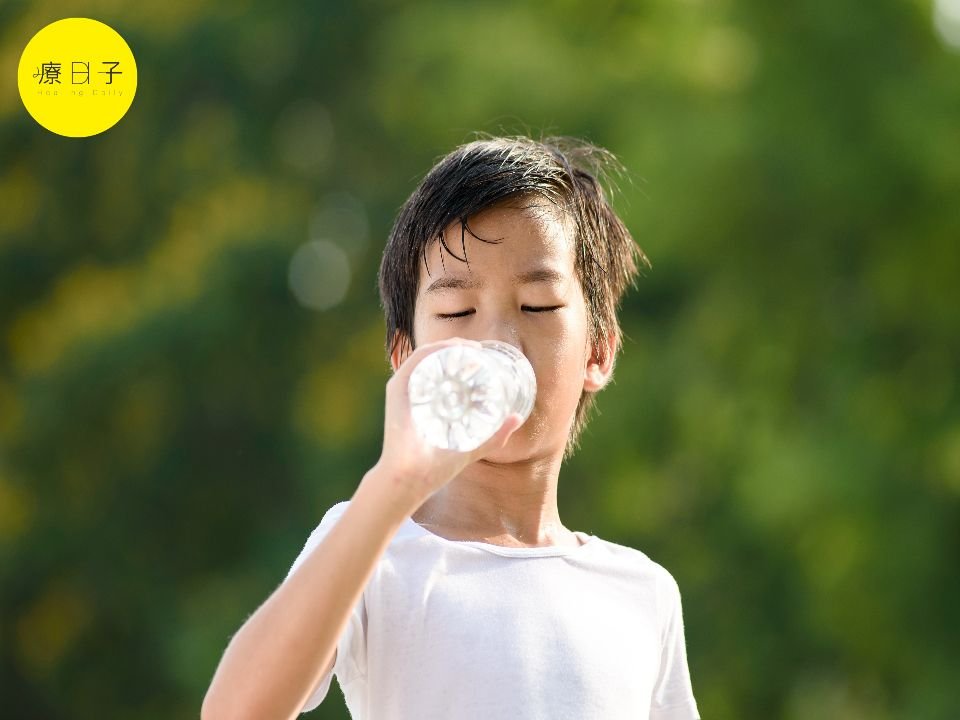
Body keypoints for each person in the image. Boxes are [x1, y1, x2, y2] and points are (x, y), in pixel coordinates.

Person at [202, 134, 701, 720]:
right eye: (457, 312)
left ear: (599, 351)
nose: (498, 340)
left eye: (537, 305)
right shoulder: (375, 546)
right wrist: (393, 487)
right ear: (405, 357)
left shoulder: (640, 592)